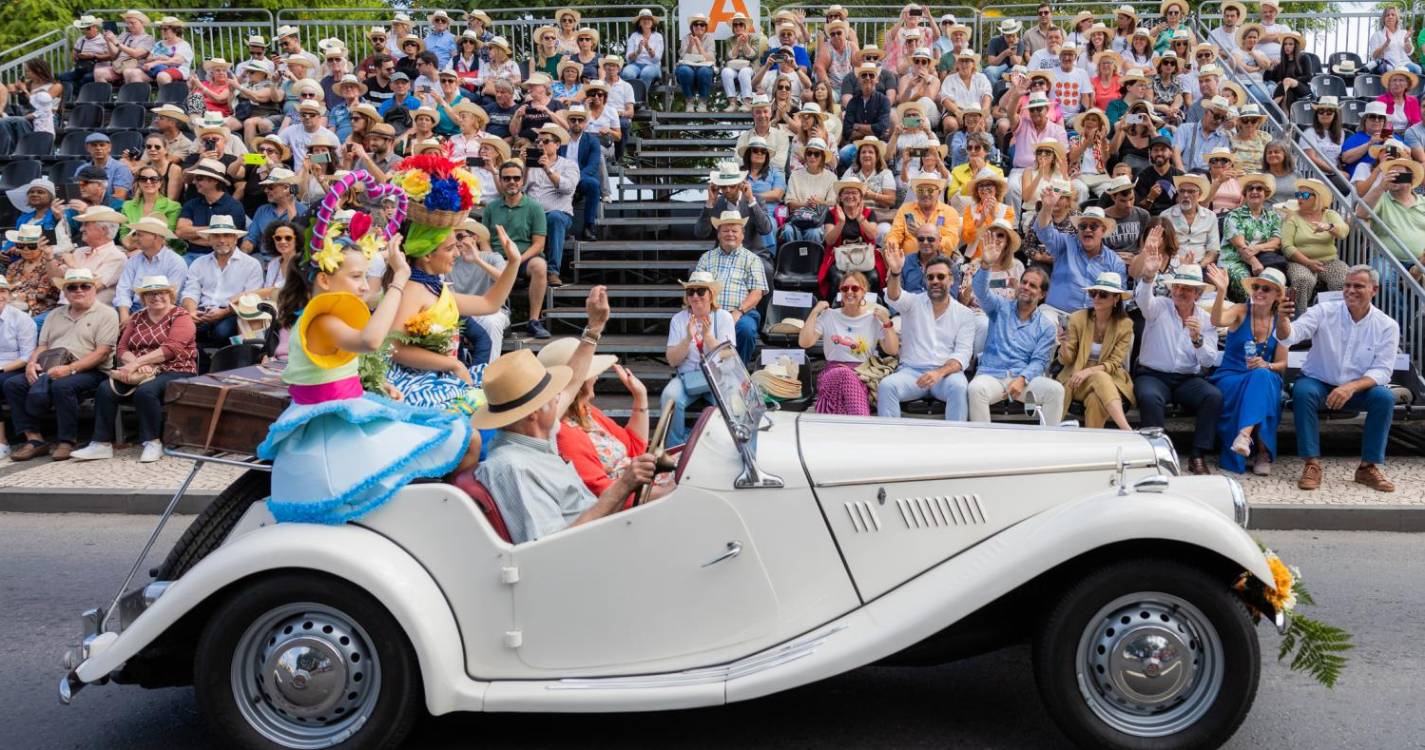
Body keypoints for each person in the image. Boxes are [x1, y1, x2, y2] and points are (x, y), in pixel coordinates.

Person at [259, 220, 476, 524]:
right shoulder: (322, 320)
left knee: (454, 434)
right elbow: (372, 341)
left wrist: (380, 382)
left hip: (347, 409)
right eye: (357, 276)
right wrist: (400, 279)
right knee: (458, 435)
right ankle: (442, 519)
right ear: (324, 279)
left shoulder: (330, 316)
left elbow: (340, 364)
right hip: (331, 427)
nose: (364, 285)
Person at [475, 294, 657, 544]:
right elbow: (552, 547)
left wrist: (594, 328)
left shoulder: (532, 434)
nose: (560, 398)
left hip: (605, 535)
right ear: (534, 413)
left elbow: (573, 381)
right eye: (553, 396)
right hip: (590, 554)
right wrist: (624, 486)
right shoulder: (513, 468)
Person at [1282, 265, 1399, 493]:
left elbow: (1383, 371)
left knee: (1384, 397)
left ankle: (1367, 467)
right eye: (1347, 285)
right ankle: (1311, 463)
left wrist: (1350, 387)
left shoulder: (1387, 325)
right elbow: (1290, 337)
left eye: (1358, 286)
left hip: (1358, 389)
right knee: (1303, 392)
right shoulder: (1323, 311)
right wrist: (1282, 319)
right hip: (1318, 382)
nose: (1350, 290)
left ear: (1374, 290)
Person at [71, 275, 197, 463]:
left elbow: (172, 348)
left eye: (161, 292)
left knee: (146, 392)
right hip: (139, 369)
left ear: (170, 294)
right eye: (150, 294)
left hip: (177, 368)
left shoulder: (181, 316)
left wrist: (138, 363)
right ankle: (101, 443)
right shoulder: (137, 317)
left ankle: (153, 442)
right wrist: (138, 364)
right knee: (105, 389)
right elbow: (122, 348)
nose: (156, 297)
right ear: (143, 298)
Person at [1127, 237, 1222, 474]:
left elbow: (1209, 361)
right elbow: (1142, 301)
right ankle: (1157, 456)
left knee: (1213, 396)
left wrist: (1197, 339)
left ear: (1197, 294)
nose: (1179, 292)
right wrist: (1149, 276)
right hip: (1153, 374)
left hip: (1186, 378)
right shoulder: (1159, 305)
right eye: (1177, 287)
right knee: (1149, 397)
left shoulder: (1204, 319)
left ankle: (1198, 455)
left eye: (1186, 289)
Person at [5, 269, 120, 462]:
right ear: (65, 292)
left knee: (62, 385)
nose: (79, 291)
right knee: (14, 384)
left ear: (94, 288)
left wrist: (70, 369)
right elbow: (43, 346)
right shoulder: (55, 314)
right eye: (72, 287)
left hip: (91, 369)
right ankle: (34, 440)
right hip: (51, 365)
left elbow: (102, 353)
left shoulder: (107, 314)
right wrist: (31, 364)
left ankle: (67, 440)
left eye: (85, 286)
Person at [537, 337, 670, 502]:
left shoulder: (585, 411)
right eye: (591, 373)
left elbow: (634, 447)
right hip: (634, 503)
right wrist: (672, 492)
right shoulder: (564, 434)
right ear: (579, 383)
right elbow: (605, 496)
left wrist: (640, 396)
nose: (597, 377)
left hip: (643, 487)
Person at [1200, 264, 1289, 476]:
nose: (1258, 292)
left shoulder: (1281, 321)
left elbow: (1282, 364)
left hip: (1264, 375)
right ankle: (1262, 452)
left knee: (1261, 376)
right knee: (1261, 385)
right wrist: (1221, 291)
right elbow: (1216, 320)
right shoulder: (1241, 310)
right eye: (1257, 286)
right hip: (1231, 375)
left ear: (1277, 295)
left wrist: (1266, 364)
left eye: (1266, 289)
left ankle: (1244, 436)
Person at [966, 230, 1062, 425]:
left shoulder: (1045, 325)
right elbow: (981, 293)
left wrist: (1022, 379)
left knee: (1056, 391)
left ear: (1042, 294)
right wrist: (985, 264)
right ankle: (982, 447)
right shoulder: (1000, 307)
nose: (1026, 287)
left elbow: (1039, 361)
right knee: (976, 389)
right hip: (992, 374)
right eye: (1024, 282)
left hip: (1022, 378)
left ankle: (1050, 445)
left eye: (1033, 286)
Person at [877, 245, 974, 421]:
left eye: (941, 276)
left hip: (946, 375)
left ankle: (956, 441)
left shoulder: (964, 314)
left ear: (951, 280)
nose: (935, 281)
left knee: (959, 387)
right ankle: (888, 440)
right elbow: (893, 296)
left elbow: (963, 354)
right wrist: (896, 272)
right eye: (930, 277)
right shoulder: (913, 303)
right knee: (886, 386)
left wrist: (938, 373)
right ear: (925, 281)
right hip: (912, 373)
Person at [798, 272, 898, 416]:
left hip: (862, 374)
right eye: (845, 289)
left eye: (855, 288)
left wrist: (887, 322)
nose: (849, 292)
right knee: (844, 373)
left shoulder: (873, 318)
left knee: (848, 378)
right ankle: (861, 421)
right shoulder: (829, 315)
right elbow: (805, 342)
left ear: (864, 292)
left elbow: (892, 349)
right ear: (840, 292)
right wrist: (814, 312)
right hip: (832, 371)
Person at [1056, 271, 1135, 430]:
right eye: (1093, 293)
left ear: (1116, 298)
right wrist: (1063, 344)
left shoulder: (1125, 324)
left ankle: (1092, 444)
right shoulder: (1078, 318)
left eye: (1103, 294)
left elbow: (1114, 364)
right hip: (1076, 379)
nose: (1096, 298)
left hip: (1108, 379)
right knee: (1100, 377)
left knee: (1095, 399)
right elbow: (1067, 361)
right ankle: (1127, 430)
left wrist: (1089, 371)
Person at [482, 161, 552, 339]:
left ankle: (534, 321)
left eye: (516, 178)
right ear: (501, 181)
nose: (511, 181)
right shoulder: (491, 208)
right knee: (487, 264)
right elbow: (484, 239)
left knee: (540, 266)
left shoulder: (534, 207)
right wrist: (493, 258)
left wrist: (515, 261)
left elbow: (538, 244)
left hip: (524, 258)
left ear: (522, 181)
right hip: (498, 258)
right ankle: (500, 318)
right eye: (506, 178)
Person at [181, 216, 263, 364]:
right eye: (216, 235)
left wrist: (224, 312)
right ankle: (197, 366)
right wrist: (192, 311)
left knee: (222, 331)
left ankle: (224, 365)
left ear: (235, 238)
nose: (222, 240)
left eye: (227, 235)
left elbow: (250, 300)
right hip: (202, 311)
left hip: (232, 312)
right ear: (209, 239)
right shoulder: (199, 263)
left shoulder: (251, 264)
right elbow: (190, 292)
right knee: (182, 327)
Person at [692, 211, 767, 365]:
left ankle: (739, 371)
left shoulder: (752, 259)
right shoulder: (706, 258)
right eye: (725, 231)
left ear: (742, 235)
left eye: (735, 231)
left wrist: (738, 312)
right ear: (718, 234)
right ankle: (707, 372)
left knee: (746, 329)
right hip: (710, 311)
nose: (730, 234)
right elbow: (696, 287)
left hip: (741, 312)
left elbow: (757, 292)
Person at [1036, 197, 1127, 317]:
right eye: (1083, 226)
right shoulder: (1065, 244)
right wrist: (1047, 208)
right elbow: (1044, 232)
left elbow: (1119, 298)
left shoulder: (1115, 262)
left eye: (1093, 226)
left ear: (1103, 230)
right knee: (1046, 323)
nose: (1087, 230)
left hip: (1091, 320)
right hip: (1055, 312)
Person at [1282, 178, 1350, 310]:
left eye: (1305, 195)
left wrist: (1329, 227)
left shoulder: (1330, 214)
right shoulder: (1292, 217)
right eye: (1298, 194)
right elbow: (1286, 246)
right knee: (1303, 280)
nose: (1299, 198)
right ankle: (1300, 318)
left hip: (1329, 261)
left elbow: (1343, 231)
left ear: (1317, 197)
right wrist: (1308, 262)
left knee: (1343, 281)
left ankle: (1337, 316)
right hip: (1299, 262)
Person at [524, 123, 578, 287]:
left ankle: (553, 271)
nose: (540, 144)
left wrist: (547, 169)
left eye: (546, 141)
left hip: (557, 213)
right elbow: (518, 189)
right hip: (531, 214)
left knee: (555, 217)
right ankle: (521, 270)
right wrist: (525, 166)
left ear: (557, 144)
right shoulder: (530, 165)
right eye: (538, 141)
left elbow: (568, 188)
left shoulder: (568, 165)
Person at [1219, 174, 1286, 301]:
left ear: (1266, 194)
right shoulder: (1234, 215)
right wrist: (1254, 262)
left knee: (1275, 284)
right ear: (1245, 194)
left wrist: (1258, 247)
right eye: (1250, 189)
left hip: (1263, 259)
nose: (1254, 192)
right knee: (1248, 287)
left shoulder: (1273, 216)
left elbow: (1276, 242)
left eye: (1259, 189)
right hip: (1235, 260)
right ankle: (1247, 316)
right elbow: (1240, 245)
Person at [1358, 159, 1425, 274]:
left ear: (1411, 179)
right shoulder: (1380, 197)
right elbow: (1361, 213)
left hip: (1421, 261)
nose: (1393, 177)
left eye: (1398, 174)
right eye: (1390, 174)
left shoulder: (1423, 201)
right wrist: (1380, 187)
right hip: (1385, 259)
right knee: (1383, 281)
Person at [697, 162, 774, 259]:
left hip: (753, 255)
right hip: (723, 256)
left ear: (741, 185)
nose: (728, 190)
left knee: (766, 269)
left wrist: (750, 200)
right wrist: (710, 203)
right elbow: (701, 233)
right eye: (724, 186)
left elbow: (765, 229)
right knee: (694, 271)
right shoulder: (715, 204)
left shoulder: (755, 200)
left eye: (732, 186)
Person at [55, 206, 128, 306]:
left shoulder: (117, 257)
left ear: (103, 230)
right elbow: (54, 280)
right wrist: (49, 258)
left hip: (91, 313)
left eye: (86, 224)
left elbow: (92, 286)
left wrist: (72, 265)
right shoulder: (79, 252)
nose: (81, 229)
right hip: (63, 309)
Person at [0, 275, 36, 458]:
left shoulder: (20, 319)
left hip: (15, 366)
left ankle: (2, 442)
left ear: (7, 294)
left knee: (6, 382)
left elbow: (27, 356)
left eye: (2, 290)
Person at [781, 138, 839, 245]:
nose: (812, 156)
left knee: (814, 233)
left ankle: (813, 261)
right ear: (805, 156)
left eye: (816, 154)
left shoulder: (832, 177)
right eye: (809, 153)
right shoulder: (795, 175)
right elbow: (790, 203)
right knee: (788, 231)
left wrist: (821, 202)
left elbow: (833, 205)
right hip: (797, 218)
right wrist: (806, 204)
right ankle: (795, 259)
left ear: (823, 157)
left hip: (819, 220)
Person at [4, 226, 59, 324]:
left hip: (39, 309)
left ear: (41, 246)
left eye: (31, 246)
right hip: (11, 306)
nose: (25, 249)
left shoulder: (49, 264)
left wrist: (16, 296)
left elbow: (43, 294)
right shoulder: (14, 265)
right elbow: (6, 286)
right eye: (20, 245)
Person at [1164, 174, 1220, 266]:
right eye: (1182, 191)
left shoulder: (1210, 217)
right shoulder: (1166, 216)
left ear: (1200, 194)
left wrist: (1199, 267)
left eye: (1191, 191)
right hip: (1173, 265)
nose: (1186, 195)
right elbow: (1163, 249)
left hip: (1201, 266)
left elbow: (1213, 251)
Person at [94, 10, 155, 85]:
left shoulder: (148, 38)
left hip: (138, 69)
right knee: (99, 72)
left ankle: (131, 96)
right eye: (128, 23)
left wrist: (116, 42)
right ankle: (104, 96)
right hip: (119, 68)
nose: (129, 25)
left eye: (133, 23)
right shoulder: (124, 35)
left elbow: (136, 54)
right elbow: (113, 55)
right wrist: (109, 41)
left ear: (142, 23)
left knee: (129, 72)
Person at [128, 16, 193, 86]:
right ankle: (138, 96)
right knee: (133, 73)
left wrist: (156, 62)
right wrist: (157, 58)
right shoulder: (159, 43)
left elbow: (176, 61)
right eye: (161, 29)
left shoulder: (183, 44)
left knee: (162, 76)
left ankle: (167, 96)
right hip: (155, 71)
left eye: (165, 29)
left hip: (177, 71)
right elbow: (148, 59)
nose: (162, 31)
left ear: (175, 30)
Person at [621, 8, 665, 88]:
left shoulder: (658, 36)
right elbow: (628, 59)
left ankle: (641, 98)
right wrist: (637, 52)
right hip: (635, 65)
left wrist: (648, 48)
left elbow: (657, 59)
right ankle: (632, 98)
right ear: (639, 23)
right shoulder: (634, 36)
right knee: (627, 74)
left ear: (652, 23)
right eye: (643, 19)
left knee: (646, 73)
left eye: (648, 19)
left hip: (653, 65)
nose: (646, 21)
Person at [1370, 6, 1420, 75]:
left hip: (1404, 64)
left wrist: (1406, 41)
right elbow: (1374, 56)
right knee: (1386, 70)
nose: (1390, 17)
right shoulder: (1377, 35)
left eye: (1393, 15)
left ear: (1396, 18)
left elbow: (1409, 52)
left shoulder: (1404, 33)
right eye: (1387, 15)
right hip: (1387, 64)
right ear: (1384, 19)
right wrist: (1386, 44)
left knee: (1417, 69)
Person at [1377, 68, 1421, 133]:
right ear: (1389, 84)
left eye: (1401, 80)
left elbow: (1416, 122)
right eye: (1394, 80)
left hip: (1408, 135)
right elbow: (1379, 124)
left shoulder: (1413, 101)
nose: (1397, 83)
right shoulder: (1382, 100)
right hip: (1386, 134)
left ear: (1407, 84)